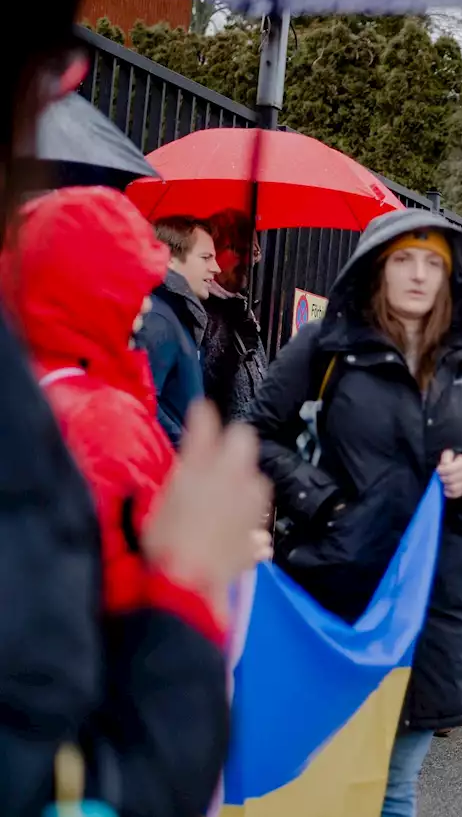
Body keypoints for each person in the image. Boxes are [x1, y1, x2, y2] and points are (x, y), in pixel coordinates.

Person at [1, 185, 271, 816]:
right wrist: (206, 561)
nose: (141, 307)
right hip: (110, 702)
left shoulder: (35, 393)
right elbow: (140, 566)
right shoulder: (105, 416)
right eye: (130, 285)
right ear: (96, 292)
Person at [246, 210, 462, 817]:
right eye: (404, 259)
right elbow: (258, 434)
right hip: (332, 588)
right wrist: (319, 500)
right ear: (377, 267)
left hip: (433, 600)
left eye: (434, 263)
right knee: (311, 776)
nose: (419, 275)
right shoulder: (326, 346)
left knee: (393, 785)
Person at [136, 216, 218, 446]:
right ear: (169, 259)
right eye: (206, 257)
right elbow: (145, 402)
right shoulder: (160, 318)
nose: (216, 267)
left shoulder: (174, 315)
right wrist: (186, 446)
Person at [201, 208, 267, 424]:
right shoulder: (201, 312)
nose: (248, 260)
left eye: (254, 251)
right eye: (237, 250)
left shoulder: (243, 312)